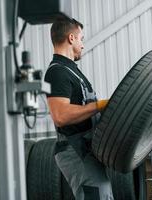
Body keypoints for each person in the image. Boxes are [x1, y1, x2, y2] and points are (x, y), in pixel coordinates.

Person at [44, 17, 113, 200]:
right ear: (71, 38)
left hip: (87, 148)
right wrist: (98, 106)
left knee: (103, 194)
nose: (83, 44)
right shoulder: (57, 72)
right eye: (81, 38)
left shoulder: (72, 70)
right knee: (97, 196)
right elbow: (60, 115)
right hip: (74, 149)